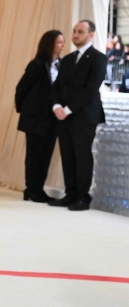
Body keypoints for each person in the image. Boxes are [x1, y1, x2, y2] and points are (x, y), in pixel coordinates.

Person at [49, 20, 106, 211]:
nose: (75, 35)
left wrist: (68, 109)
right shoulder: (68, 59)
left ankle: (82, 197)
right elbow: (56, 86)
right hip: (64, 114)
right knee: (67, 155)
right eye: (74, 31)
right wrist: (56, 106)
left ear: (91, 35)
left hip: (84, 115)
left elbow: (90, 89)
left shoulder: (98, 58)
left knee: (81, 155)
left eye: (80, 32)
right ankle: (70, 193)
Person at [14, 30, 63, 202]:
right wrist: (24, 109)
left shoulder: (62, 65)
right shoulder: (37, 64)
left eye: (62, 42)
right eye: (58, 42)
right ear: (49, 44)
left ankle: (38, 188)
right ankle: (31, 189)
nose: (62, 45)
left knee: (46, 154)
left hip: (53, 118)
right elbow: (21, 88)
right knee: (34, 154)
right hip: (35, 117)